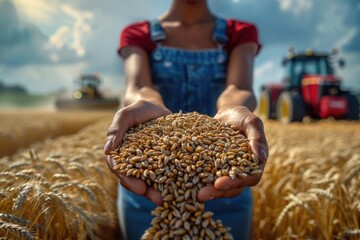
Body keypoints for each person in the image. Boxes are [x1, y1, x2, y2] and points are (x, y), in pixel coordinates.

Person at [104, 0, 269, 239]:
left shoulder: (239, 32)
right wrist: (147, 104)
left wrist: (233, 108)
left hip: (225, 183)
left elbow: (239, 87)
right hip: (148, 183)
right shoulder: (138, 33)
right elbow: (139, 86)